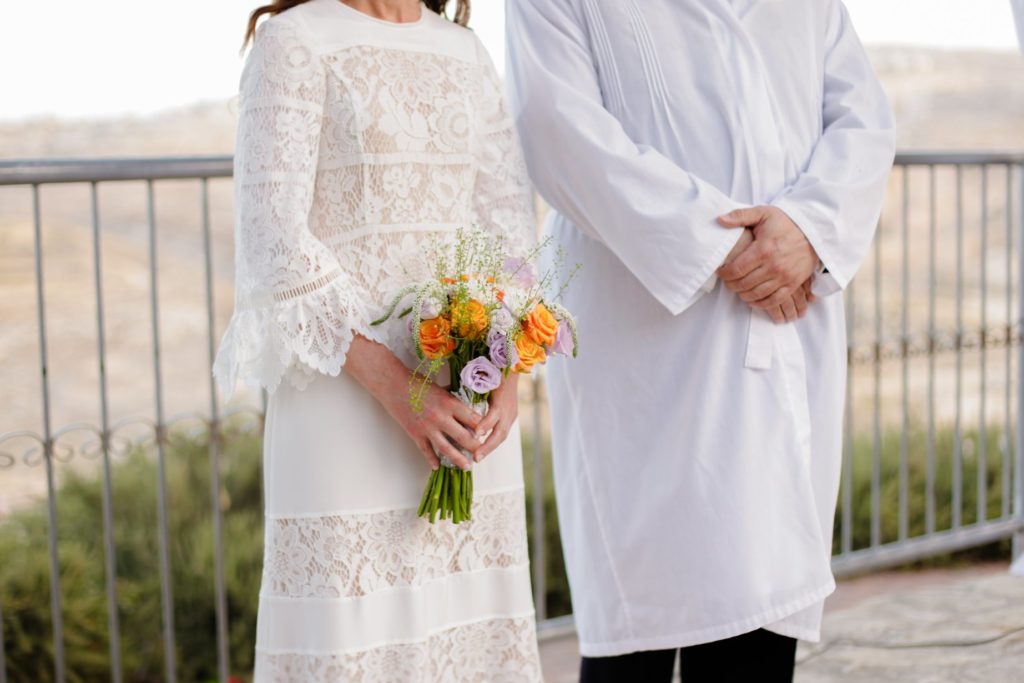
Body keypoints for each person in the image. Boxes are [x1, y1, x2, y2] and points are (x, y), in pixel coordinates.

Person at [506, 1, 895, 681]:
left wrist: (808, 229)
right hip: (642, 331)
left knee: (763, 613)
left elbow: (863, 119)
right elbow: (553, 123)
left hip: (784, 320)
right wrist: (720, 247)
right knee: (639, 629)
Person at [214, 1, 542, 679]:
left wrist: (505, 365)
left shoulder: (465, 53)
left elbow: (505, 225)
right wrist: (400, 388)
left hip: (462, 411)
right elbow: (274, 244)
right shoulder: (294, 43)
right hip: (346, 402)